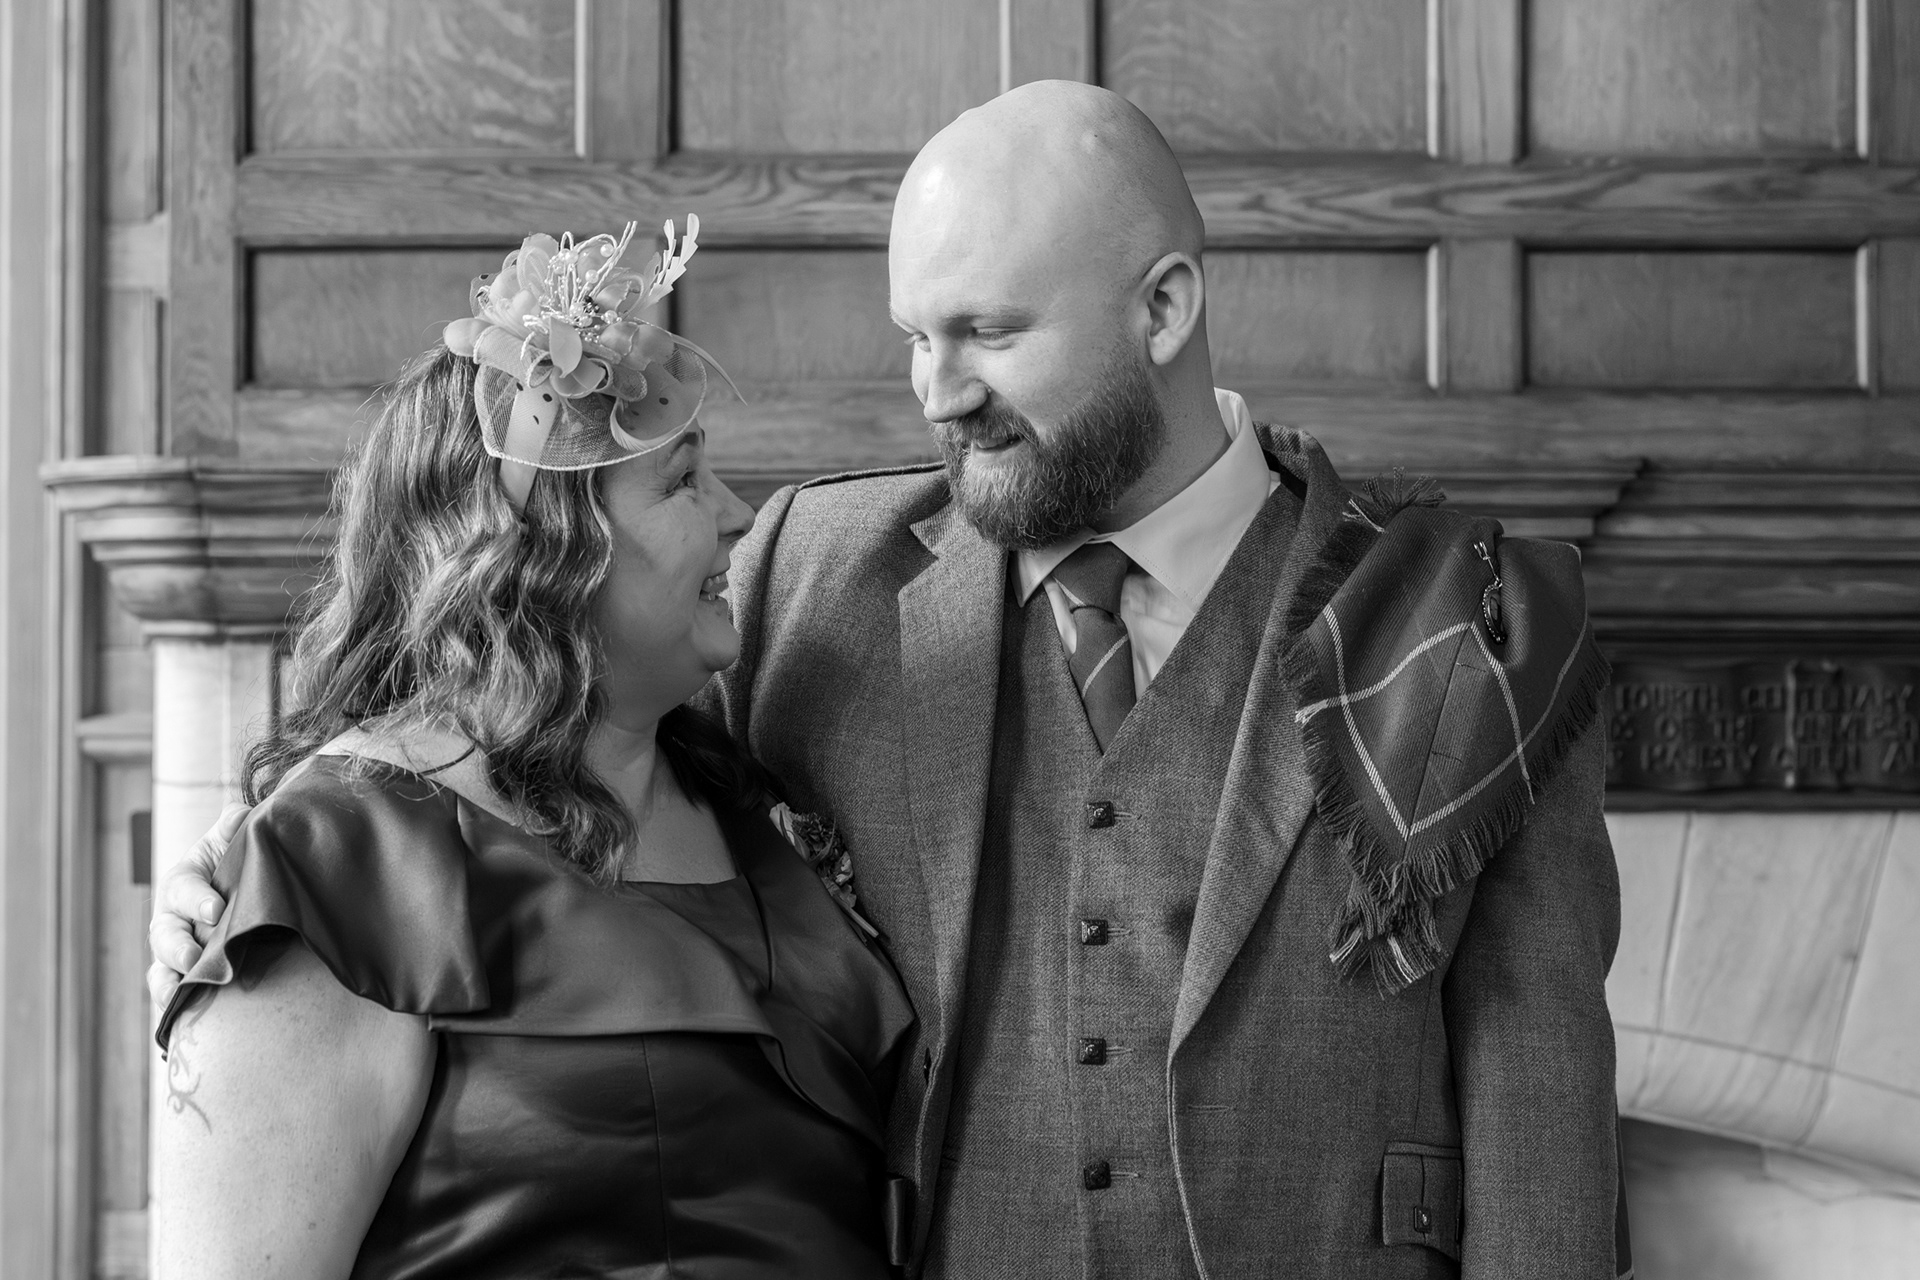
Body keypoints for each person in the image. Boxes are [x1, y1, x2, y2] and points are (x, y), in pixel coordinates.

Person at [155, 83, 1628, 1278]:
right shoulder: (811, 571)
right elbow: (543, 754)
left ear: (1165, 309)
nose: (936, 393)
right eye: (918, 338)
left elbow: (1542, 1130)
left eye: (989, 331)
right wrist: (259, 895)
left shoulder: (1462, 620)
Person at [148, 224, 915, 1278]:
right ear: (552, 552)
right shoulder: (347, 862)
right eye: (685, 481)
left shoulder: (755, 802)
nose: (742, 515)